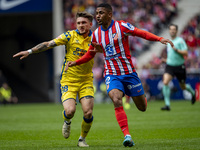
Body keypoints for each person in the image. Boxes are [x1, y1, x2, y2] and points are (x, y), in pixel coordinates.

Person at [65, 3, 174, 147]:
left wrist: (159, 39)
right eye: (97, 13)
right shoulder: (96, 34)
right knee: (116, 99)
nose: (97, 15)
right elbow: (90, 53)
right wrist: (76, 62)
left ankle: (138, 96)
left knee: (142, 107)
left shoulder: (121, 27)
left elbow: (141, 33)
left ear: (109, 14)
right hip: (111, 74)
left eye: (101, 13)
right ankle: (127, 136)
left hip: (129, 73)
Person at [13, 11, 96, 147]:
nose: (81, 25)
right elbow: (48, 44)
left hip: (86, 80)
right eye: (79, 23)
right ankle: (67, 121)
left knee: (88, 112)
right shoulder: (69, 36)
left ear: (90, 24)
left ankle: (82, 139)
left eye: (84, 23)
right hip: (69, 80)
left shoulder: (96, 38)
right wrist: (29, 51)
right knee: (70, 111)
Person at [161, 24, 196, 111]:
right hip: (170, 66)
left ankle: (193, 93)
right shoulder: (168, 42)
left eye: (174, 29)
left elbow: (186, 53)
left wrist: (177, 50)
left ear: (176, 31)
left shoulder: (180, 41)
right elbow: (171, 56)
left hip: (180, 67)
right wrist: (165, 60)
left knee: (183, 87)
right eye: (171, 29)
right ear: (169, 31)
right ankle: (167, 105)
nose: (172, 31)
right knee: (165, 82)